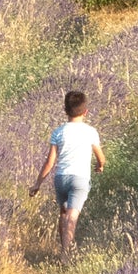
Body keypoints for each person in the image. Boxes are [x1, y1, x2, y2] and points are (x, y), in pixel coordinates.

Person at [31, 87, 105, 256]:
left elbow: (50, 162)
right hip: (80, 179)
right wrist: (100, 166)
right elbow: (101, 157)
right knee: (72, 215)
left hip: (61, 178)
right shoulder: (90, 132)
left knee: (64, 213)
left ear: (65, 110)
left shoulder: (58, 132)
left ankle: (63, 247)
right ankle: (65, 255)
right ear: (85, 112)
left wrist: (37, 184)